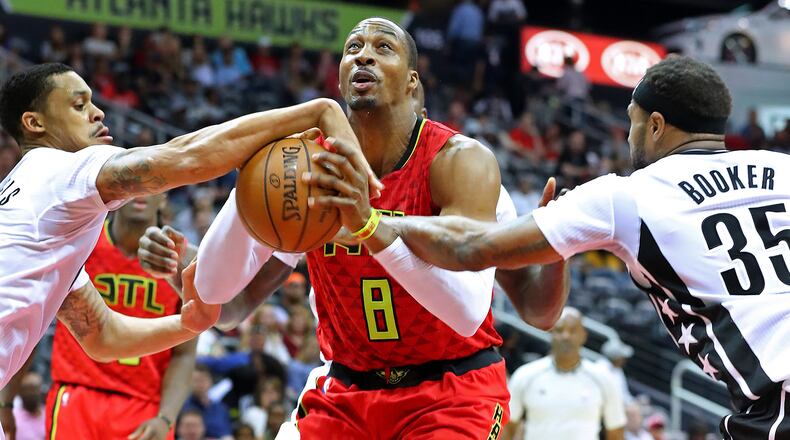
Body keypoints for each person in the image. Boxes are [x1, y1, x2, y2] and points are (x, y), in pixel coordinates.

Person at [177, 18, 568, 439]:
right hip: (345, 392)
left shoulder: (460, 164)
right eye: (353, 48)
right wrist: (251, 178)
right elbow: (232, 309)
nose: (363, 54)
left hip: (451, 392)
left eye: (383, 48)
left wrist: (556, 245)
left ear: (412, 84)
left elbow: (487, 313)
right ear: (342, 79)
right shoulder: (310, 167)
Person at [370, 54, 790, 438]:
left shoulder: (627, 195)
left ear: (656, 126)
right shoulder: (782, 168)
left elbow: (471, 248)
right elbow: (541, 310)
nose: (629, 137)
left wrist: (370, 218)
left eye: (633, 121)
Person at [0, 62, 374, 436]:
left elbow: (102, 336)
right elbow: (187, 155)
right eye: (79, 106)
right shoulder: (58, 170)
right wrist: (315, 111)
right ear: (35, 124)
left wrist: (187, 323)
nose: (97, 112)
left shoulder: (36, 206)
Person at [42, 192, 195, 440]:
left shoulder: (181, 259)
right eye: (136, 183)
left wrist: (166, 418)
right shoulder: (84, 240)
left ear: (164, 198)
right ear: (119, 191)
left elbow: (185, 354)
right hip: (78, 394)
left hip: (144, 409)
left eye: (153, 185)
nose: (143, 191)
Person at [504, 308, 625, 440]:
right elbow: (508, 427)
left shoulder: (603, 378)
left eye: (572, 331)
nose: (566, 336)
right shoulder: (525, 375)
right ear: (551, 333)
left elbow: (615, 430)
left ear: (583, 335)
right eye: (560, 330)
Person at [11, 371, 45, 440]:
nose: (31, 394)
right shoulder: (13, 418)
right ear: (20, 392)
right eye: (27, 390)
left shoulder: (49, 414)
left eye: (34, 390)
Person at [600, 339, 635, 403]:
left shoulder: (618, 371)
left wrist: (633, 403)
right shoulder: (601, 369)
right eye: (623, 358)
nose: (624, 361)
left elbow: (625, 395)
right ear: (617, 358)